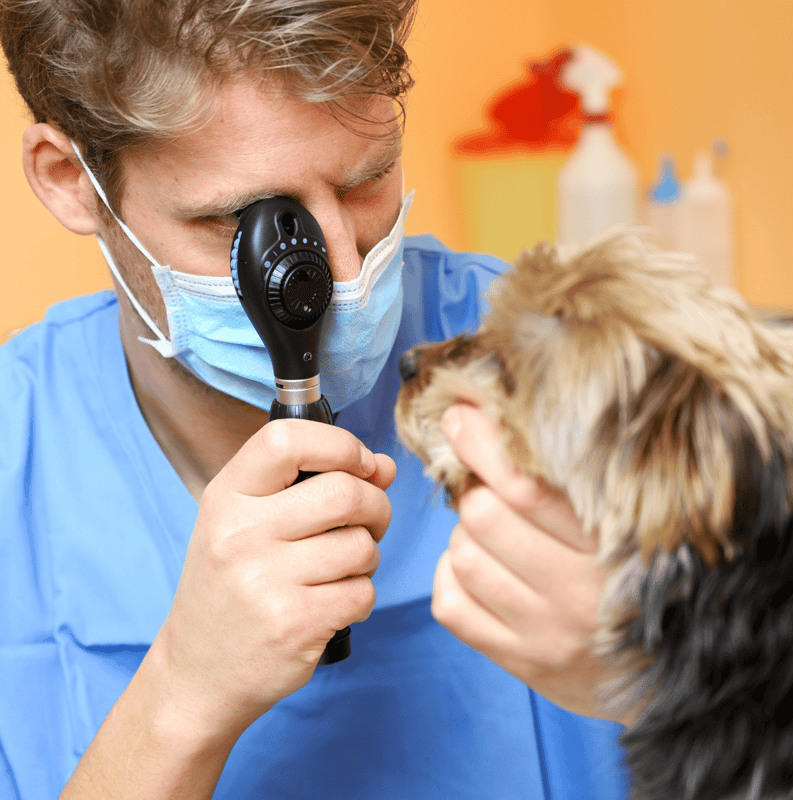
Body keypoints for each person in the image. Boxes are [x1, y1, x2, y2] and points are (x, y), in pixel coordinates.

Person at [0, 1, 629, 797]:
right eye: (240, 217)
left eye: (366, 180)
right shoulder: (15, 454)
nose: (338, 274)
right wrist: (181, 696)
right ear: (71, 183)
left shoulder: (576, 367)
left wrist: (670, 671)